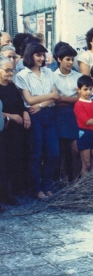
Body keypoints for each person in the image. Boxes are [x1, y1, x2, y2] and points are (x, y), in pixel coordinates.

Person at [15, 42, 61, 199]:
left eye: (43, 55)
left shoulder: (48, 72)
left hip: (47, 112)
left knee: (54, 152)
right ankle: (36, 188)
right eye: (38, 55)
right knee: (37, 153)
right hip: (34, 116)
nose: (41, 58)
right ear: (30, 55)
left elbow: (56, 95)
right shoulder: (22, 75)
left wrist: (41, 104)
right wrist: (48, 97)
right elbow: (28, 99)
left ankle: (47, 185)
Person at [0, 56, 30, 202]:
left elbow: (20, 104)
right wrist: (11, 116)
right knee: (5, 161)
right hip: (4, 130)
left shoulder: (12, 86)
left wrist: (25, 113)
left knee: (17, 158)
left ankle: (17, 189)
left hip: (17, 129)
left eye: (11, 70)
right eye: (7, 70)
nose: (10, 73)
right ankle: (6, 194)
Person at [53, 42, 82, 182]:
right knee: (62, 151)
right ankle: (64, 180)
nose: (71, 62)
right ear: (59, 59)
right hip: (60, 115)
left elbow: (81, 99)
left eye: (72, 59)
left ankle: (76, 180)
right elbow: (54, 101)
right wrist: (72, 99)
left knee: (76, 150)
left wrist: (63, 98)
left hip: (76, 114)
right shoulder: (52, 76)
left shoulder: (78, 77)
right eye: (67, 59)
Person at [74, 75, 93, 177]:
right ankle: (84, 187)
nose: (88, 92)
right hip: (85, 134)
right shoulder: (78, 104)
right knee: (86, 164)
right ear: (79, 90)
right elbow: (87, 121)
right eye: (85, 89)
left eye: (90, 89)